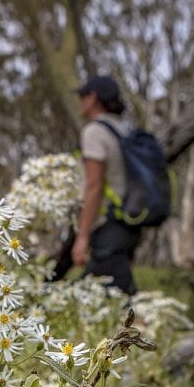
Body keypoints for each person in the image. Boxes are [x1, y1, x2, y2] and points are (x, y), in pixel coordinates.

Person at [70, 74, 142, 295]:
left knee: (99, 297)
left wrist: (82, 237)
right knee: (115, 296)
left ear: (93, 98)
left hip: (107, 226)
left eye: (83, 96)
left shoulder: (94, 132)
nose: (81, 101)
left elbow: (94, 185)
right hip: (130, 222)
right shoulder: (124, 130)